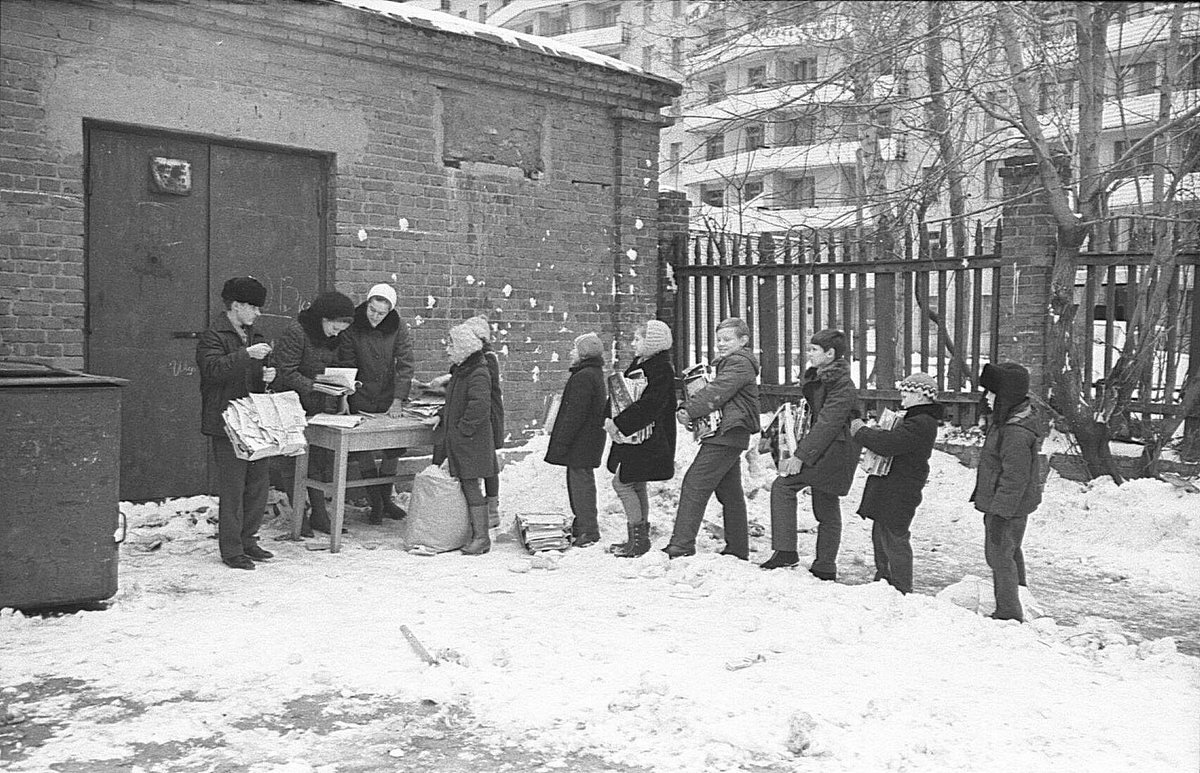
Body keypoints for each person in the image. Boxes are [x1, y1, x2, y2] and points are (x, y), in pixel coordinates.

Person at [760, 329, 860, 580]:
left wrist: (801, 456)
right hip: (827, 447)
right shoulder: (821, 378)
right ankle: (824, 566)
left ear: (830, 354)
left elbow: (828, 422)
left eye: (814, 350)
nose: (809, 354)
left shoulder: (842, 385)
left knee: (784, 486)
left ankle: (787, 552)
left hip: (835, 448)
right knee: (825, 501)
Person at [196, 276, 277, 570]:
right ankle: (231, 550)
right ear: (237, 306)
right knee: (233, 487)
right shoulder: (213, 336)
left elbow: (253, 374)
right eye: (254, 307)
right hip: (227, 421)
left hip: (254, 420)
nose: (258, 313)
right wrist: (245, 355)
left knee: (258, 483)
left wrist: (267, 376)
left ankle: (249, 541)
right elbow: (213, 370)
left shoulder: (254, 334)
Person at [663, 317, 760, 560]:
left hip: (728, 433)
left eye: (728, 339)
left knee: (695, 482)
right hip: (729, 432)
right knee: (730, 493)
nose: (721, 344)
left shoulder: (738, 363)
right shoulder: (733, 362)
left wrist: (688, 409)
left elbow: (717, 392)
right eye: (718, 339)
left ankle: (682, 544)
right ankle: (738, 549)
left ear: (744, 340)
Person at [849, 372, 943, 594]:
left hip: (901, 487)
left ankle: (900, 587)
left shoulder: (921, 422)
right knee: (882, 529)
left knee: (894, 534)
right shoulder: (913, 419)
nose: (902, 397)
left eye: (907, 393)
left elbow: (891, 444)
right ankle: (884, 578)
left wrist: (862, 432)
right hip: (893, 484)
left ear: (920, 395)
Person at [274, 291, 356, 535]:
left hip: (318, 407)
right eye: (333, 327)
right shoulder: (296, 332)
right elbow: (284, 371)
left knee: (318, 461)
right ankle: (300, 517)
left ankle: (320, 514)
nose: (336, 333)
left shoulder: (332, 337)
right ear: (322, 318)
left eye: (341, 330)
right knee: (293, 460)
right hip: (291, 404)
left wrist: (342, 385)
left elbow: (335, 366)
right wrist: (313, 385)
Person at [337, 282, 414, 524]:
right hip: (360, 393)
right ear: (367, 304)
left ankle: (386, 500)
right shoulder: (353, 327)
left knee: (393, 446)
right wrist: (346, 397)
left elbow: (405, 363)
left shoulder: (398, 327)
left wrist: (398, 399)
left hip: (387, 394)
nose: (376, 317)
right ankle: (376, 502)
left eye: (382, 313)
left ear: (389, 312)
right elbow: (346, 364)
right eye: (372, 310)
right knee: (364, 448)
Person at [971, 362, 1043, 622]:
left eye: (991, 393)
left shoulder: (1015, 432)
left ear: (1006, 396)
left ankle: (1009, 611)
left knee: (999, 556)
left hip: (1006, 508)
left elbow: (1015, 478)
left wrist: (1000, 513)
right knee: (1010, 551)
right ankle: (1021, 596)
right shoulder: (1008, 422)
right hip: (1008, 506)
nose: (986, 398)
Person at [604, 320, 677, 558]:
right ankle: (638, 539)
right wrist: (609, 417)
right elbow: (621, 393)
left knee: (622, 483)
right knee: (636, 482)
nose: (633, 343)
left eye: (638, 339)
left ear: (652, 342)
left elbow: (651, 405)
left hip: (648, 437)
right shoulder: (642, 363)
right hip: (636, 436)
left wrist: (620, 423)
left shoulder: (661, 369)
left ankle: (638, 539)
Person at [433, 322, 499, 555]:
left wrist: (462, 431)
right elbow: (454, 401)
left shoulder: (478, 372)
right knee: (467, 485)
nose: (448, 349)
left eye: (451, 345)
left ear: (463, 348)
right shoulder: (462, 371)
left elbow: (479, 407)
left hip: (470, 442)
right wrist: (442, 415)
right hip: (464, 440)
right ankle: (475, 534)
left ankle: (482, 538)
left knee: (471, 487)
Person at [545, 332, 608, 547]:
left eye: (575, 348)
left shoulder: (584, 376)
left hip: (581, 440)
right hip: (587, 439)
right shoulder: (593, 373)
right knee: (580, 482)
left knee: (581, 484)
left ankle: (588, 530)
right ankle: (583, 524)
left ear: (583, 353)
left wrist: (562, 440)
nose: (571, 352)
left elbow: (574, 414)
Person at [465, 315, 505, 528]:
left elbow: (478, 384)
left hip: (488, 417)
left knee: (488, 463)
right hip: (485, 415)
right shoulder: (475, 356)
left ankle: (492, 509)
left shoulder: (486, 358)